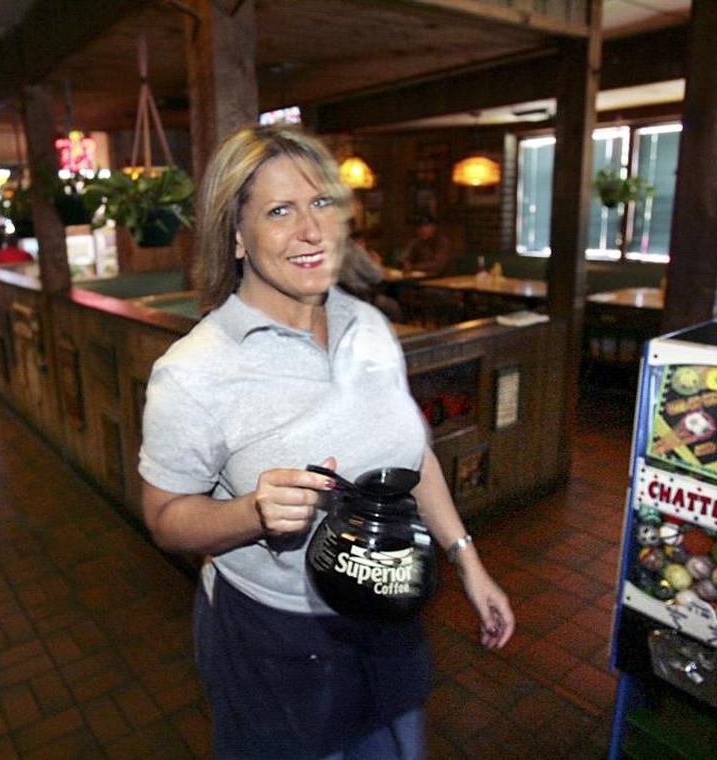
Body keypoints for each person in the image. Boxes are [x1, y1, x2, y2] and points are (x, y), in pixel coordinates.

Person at [138, 125, 513, 759]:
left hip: (391, 618)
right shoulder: (194, 370)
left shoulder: (368, 326)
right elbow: (165, 519)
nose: (311, 230)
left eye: (322, 204)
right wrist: (249, 512)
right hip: (272, 640)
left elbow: (410, 457)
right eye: (280, 210)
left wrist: (466, 559)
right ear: (234, 235)